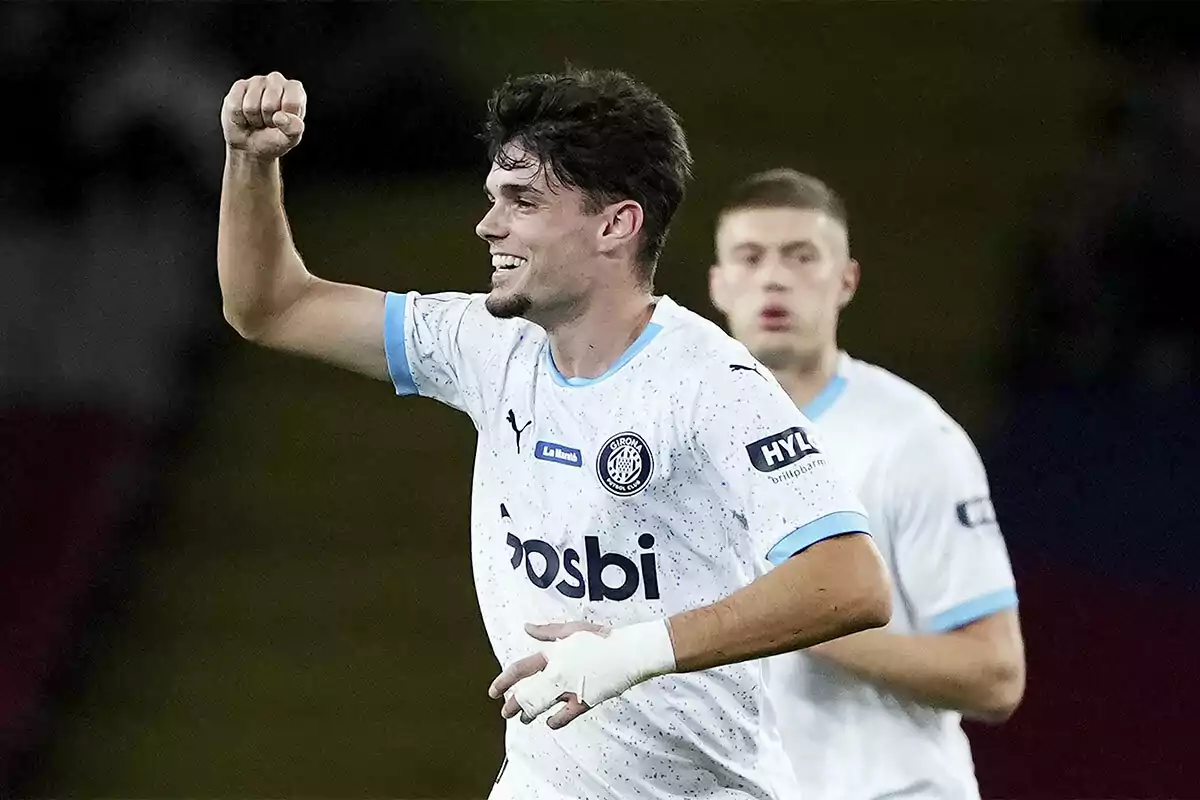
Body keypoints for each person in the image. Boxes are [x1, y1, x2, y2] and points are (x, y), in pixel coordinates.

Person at [218, 69, 891, 799]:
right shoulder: (484, 343)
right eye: (492, 199)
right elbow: (271, 307)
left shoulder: (711, 385)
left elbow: (851, 581)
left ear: (615, 225)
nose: (488, 224)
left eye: (523, 201)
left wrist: (632, 653)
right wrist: (251, 163)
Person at [708, 168, 1026, 799]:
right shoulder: (684, 439)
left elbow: (996, 676)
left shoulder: (911, 441)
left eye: (801, 257)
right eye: (750, 258)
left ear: (846, 279)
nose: (774, 278)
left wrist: (802, 621)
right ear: (718, 284)